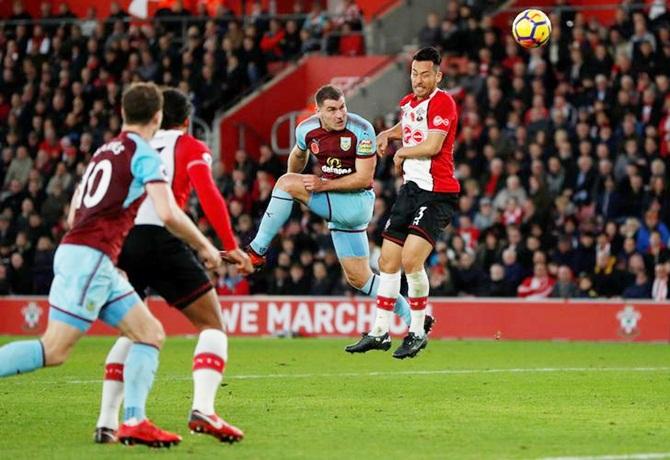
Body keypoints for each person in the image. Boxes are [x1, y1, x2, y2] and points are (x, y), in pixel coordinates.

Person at [0, 83, 223, 447]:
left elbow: (75, 213)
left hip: (90, 256)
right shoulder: (145, 154)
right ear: (156, 117)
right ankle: (130, 418)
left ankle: (133, 420)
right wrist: (205, 246)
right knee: (54, 350)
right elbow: (167, 212)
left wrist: (106, 257)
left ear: (123, 113)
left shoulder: (104, 151)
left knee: (149, 333)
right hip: (90, 257)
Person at [93, 89, 251, 444]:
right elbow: (207, 192)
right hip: (160, 237)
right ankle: (204, 409)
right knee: (212, 323)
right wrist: (227, 246)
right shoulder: (189, 146)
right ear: (184, 121)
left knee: (133, 330)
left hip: (124, 241)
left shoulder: (131, 148)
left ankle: (106, 422)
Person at [244, 85, 433, 348]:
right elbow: (298, 155)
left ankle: (256, 250)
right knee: (359, 278)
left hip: (356, 202)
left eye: (342, 107)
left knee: (286, 184)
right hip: (335, 203)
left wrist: (313, 186)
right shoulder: (306, 129)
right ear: (318, 111)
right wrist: (292, 190)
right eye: (332, 110)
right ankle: (415, 318)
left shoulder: (361, 129)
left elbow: (364, 178)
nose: (340, 114)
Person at [347, 47, 459, 359]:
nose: (419, 80)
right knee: (387, 262)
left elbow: (433, 143)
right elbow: (409, 129)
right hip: (410, 190)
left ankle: (418, 331)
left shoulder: (443, 102)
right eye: (414, 73)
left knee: (411, 260)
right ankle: (380, 332)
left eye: (425, 74)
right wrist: (388, 134)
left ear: (438, 75)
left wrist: (402, 152)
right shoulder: (408, 104)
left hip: (437, 193)